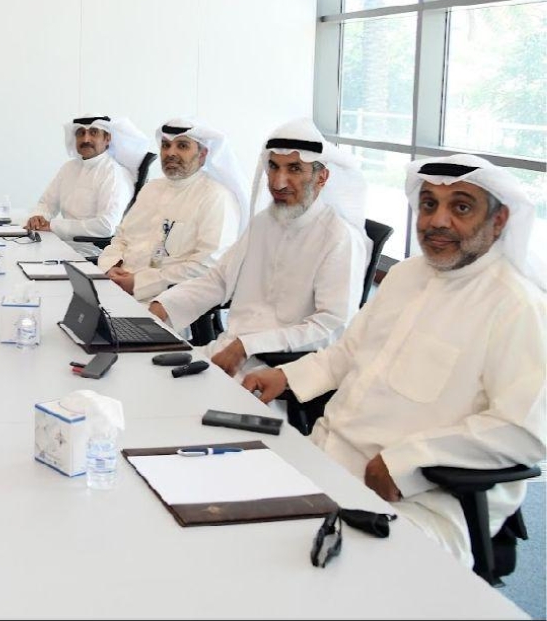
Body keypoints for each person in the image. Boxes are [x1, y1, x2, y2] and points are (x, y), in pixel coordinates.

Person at [243, 154, 546, 566]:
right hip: (326, 459)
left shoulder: (517, 307)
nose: (438, 221)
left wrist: (406, 462)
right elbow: (348, 353)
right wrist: (285, 376)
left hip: (420, 504)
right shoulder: (406, 275)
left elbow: (524, 430)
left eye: (460, 207)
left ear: (498, 220)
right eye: (428, 205)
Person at [149, 118, 368, 376]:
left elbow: (332, 329)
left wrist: (249, 345)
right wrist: (163, 307)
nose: (278, 182)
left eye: (294, 169)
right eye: (273, 167)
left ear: (322, 177)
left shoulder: (339, 238)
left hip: (278, 372)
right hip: (225, 352)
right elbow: (219, 280)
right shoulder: (264, 222)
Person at [99, 118, 248, 303]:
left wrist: (139, 283)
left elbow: (208, 265)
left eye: (182, 146)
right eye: (165, 145)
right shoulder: (151, 189)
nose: (170, 153)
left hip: (164, 300)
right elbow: (121, 237)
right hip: (116, 288)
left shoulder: (216, 197)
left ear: (202, 155)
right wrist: (111, 266)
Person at [25, 116, 141, 241]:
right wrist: (38, 217)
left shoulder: (114, 174)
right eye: (81, 133)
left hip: (93, 249)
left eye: (93, 132)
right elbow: (47, 204)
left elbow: (106, 226)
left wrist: (52, 226)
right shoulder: (69, 168)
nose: (86, 139)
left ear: (107, 138)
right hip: (63, 242)